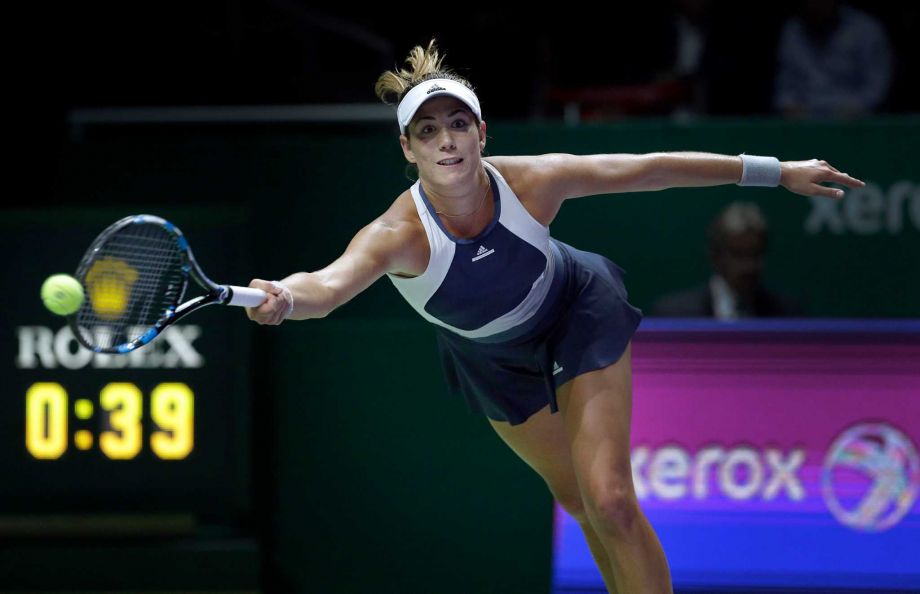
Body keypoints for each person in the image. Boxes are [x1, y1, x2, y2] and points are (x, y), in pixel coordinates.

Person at [245, 40, 864, 594]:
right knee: (576, 498)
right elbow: (327, 284)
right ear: (407, 149)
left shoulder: (534, 181)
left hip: (574, 310)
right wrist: (288, 297)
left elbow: (654, 167)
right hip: (493, 360)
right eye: (428, 132)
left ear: (482, 133)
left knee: (612, 500)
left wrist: (779, 173)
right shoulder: (393, 236)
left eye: (458, 124)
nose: (447, 141)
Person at [652, 201, 804, 319]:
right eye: (738, 254)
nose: (749, 265)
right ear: (715, 255)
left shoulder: (787, 313)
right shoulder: (675, 315)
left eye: (755, 254)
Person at [773, 0, 894, 119]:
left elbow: (876, 85)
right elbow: (785, 84)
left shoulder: (866, 29)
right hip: (804, 121)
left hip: (855, 121)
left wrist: (857, 108)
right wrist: (789, 106)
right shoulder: (792, 31)